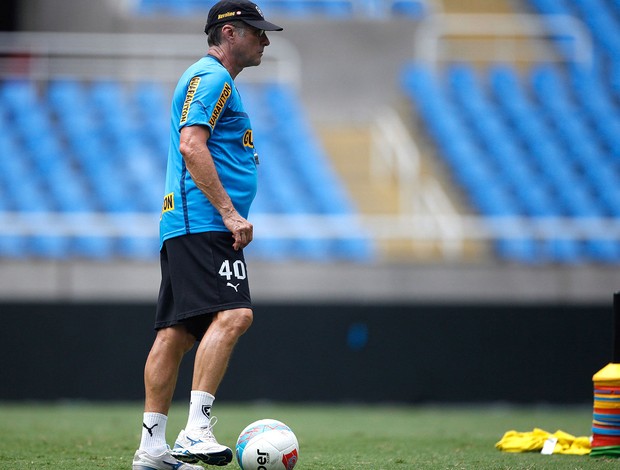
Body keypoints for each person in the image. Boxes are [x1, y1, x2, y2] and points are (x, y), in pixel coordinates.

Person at [132, 2, 283, 469]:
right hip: (204, 222)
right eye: (257, 31)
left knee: (175, 333)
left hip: (186, 222)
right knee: (235, 314)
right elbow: (191, 144)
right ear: (231, 32)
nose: (266, 40)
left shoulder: (212, 79)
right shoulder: (213, 77)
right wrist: (229, 213)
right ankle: (196, 431)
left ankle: (151, 449)